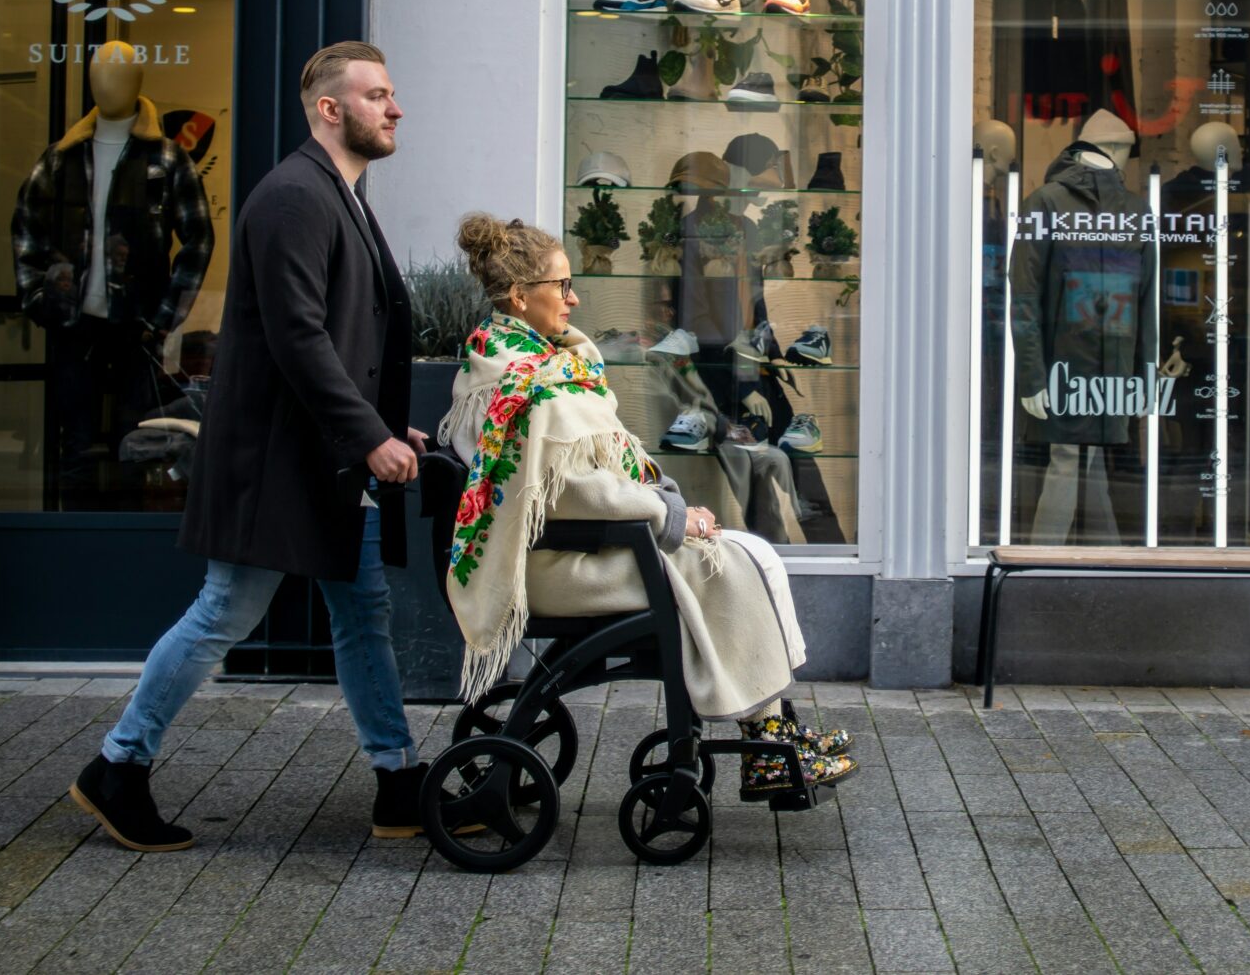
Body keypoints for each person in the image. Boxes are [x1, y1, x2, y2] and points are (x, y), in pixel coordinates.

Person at [69, 41, 437, 851]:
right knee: (224, 612)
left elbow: (343, 332)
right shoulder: (293, 197)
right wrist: (366, 433)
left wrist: (381, 422)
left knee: (363, 611)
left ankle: (399, 779)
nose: (395, 107)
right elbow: (299, 335)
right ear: (330, 109)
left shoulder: (336, 193)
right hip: (279, 460)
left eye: (392, 91)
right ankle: (118, 765)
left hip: (321, 456)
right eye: (377, 94)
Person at [442, 213, 854, 801]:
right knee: (729, 562)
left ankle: (773, 730)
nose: (573, 298)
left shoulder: (521, 364)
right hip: (557, 562)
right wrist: (672, 518)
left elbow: (591, 476)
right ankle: (764, 736)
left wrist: (665, 506)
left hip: (576, 547)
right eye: (561, 286)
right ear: (519, 296)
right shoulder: (523, 385)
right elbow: (578, 493)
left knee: (747, 552)